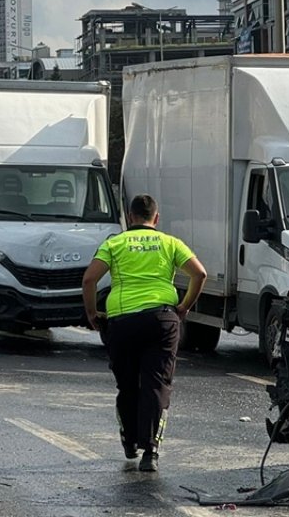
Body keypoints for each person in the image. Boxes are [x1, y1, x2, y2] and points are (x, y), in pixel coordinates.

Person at [81, 194, 207, 473]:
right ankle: (150, 452)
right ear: (156, 218)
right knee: (155, 384)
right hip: (161, 321)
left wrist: (92, 314)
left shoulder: (114, 243)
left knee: (127, 385)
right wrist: (184, 307)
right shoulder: (170, 243)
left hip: (122, 323)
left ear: (129, 217)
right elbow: (200, 274)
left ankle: (129, 441)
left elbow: (89, 279)